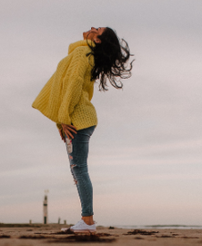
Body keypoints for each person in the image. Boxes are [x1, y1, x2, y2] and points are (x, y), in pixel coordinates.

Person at [32, 27, 133, 234]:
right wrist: (61, 122)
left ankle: (87, 221)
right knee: (77, 169)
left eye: (96, 30)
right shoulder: (86, 54)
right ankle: (86, 220)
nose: (90, 28)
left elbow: (73, 84)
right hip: (80, 119)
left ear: (97, 40)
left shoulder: (82, 53)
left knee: (79, 169)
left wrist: (63, 118)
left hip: (78, 120)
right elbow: (68, 87)